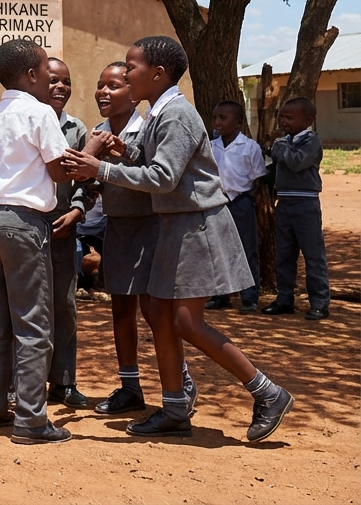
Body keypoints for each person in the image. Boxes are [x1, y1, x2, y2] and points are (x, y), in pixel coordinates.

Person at [64, 35, 293, 442]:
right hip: (174, 226)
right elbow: (161, 168)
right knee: (164, 318)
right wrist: (126, 154)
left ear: (158, 73)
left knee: (185, 321)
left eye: (131, 68)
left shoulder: (177, 116)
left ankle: (267, 391)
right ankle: (173, 408)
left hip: (196, 226)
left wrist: (100, 168)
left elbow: (164, 179)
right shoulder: (159, 114)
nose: (125, 74)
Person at [0, 40, 72, 445]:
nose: (52, 77)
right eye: (47, 69)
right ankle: (31, 420)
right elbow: (60, 171)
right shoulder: (39, 112)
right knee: (33, 323)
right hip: (23, 223)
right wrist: (92, 152)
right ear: (31, 75)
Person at [89, 62, 183, 416]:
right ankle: (130, 387)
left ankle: (179, 385)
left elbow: (155, 176)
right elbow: (96, 181)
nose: (104, 92)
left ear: (132, 92)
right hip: (118, 226)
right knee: (120, 309)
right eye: (100, 85)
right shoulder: (97, 132)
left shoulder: (145, 131)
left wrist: (103, 164)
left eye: (114, 85)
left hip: (149, 226)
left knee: (154, 310)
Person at [44, 57, 95, 409]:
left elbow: (85, 181)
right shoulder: (26, 123)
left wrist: (77, 211)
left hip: (63, 229)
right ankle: (20, 384)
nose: (61, 87)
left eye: (66, 80)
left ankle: (64, 382)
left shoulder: (76, 129)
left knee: (64, 306)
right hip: (27, 226)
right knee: (29, 308)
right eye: (52, 80)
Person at [264, 97, 328, 320]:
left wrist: (279, 147)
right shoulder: (286, 141)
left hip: (306, 204)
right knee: (284, 254)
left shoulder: (311, 142)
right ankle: (284, 300)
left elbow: (297, 162)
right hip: (285, 204)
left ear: (308, 120)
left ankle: (319, 303)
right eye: (282, 116)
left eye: (289, 117)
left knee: (313, 255)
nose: (283, 121)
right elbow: (277, 167)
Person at [207, 101, 266, 312]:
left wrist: (246, 198)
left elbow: (257, 178)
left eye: (223, 118)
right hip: (217, 203)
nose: (217, 122)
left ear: (239, 123)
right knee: (218, 249)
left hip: (241, 203)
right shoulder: (211, 147)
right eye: (215, 118)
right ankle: (220, 295)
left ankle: (249, 296)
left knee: (246, 249)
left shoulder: (249, 147)